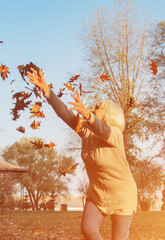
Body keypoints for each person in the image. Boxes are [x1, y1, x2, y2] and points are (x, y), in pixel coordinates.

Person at [27, 68, 137, 240]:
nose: (93, 109)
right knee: (88, 229)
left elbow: (102, 128)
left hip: (122, 195)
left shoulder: (115, 134)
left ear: (109, 115)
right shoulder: (86, 131)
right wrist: (47, 91)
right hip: (98, 193)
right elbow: (67, 115)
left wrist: (86, 113)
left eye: (98, 108)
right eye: (93, 108)